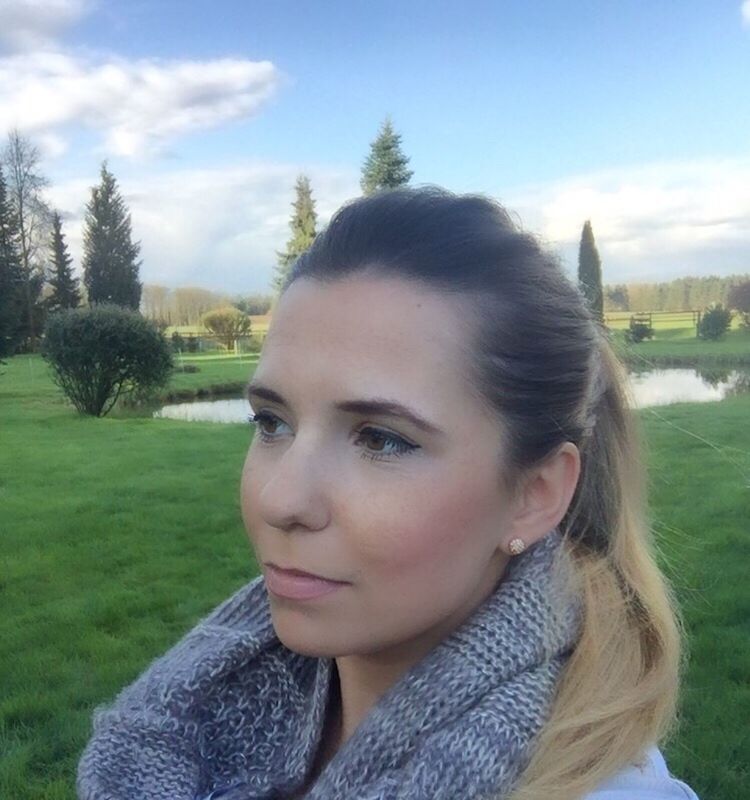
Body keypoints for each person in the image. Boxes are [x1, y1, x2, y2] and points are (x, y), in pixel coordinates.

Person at [77, 187, 700, 800]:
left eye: (381, 439)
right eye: (271, 422)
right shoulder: (196, 707)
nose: (280, 499)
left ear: (534, 495)